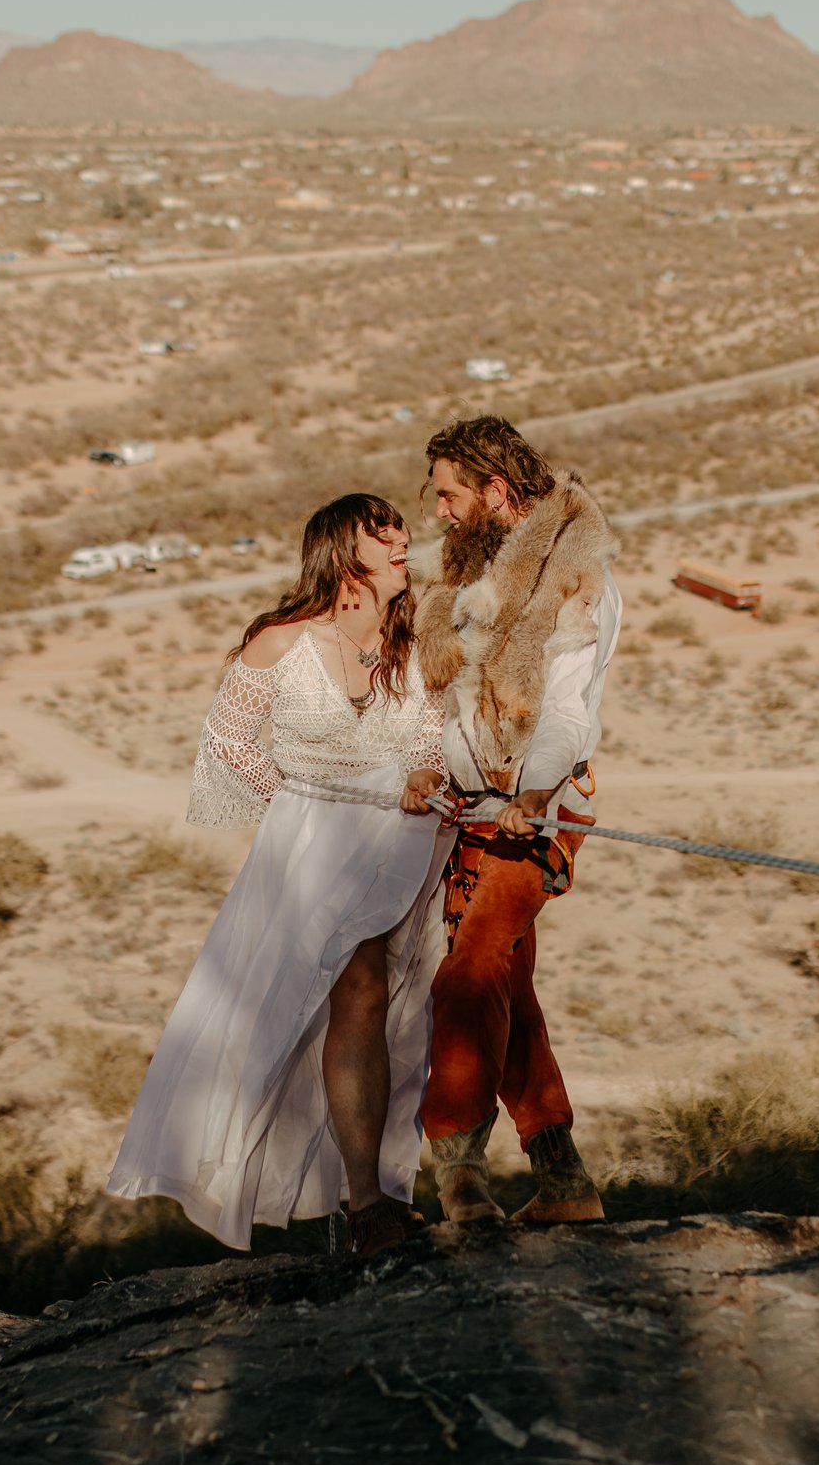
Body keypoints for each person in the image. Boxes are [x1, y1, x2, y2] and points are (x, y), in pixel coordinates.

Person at [106, 494, 451, 1259]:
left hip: (401, 841)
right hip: (311, 845)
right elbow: (228, 740)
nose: (403, 543)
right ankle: (369, 1205)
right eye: (383, 532)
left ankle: (375, 1193)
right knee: (350, 991)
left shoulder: (421, 638)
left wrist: (425, 773)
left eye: (403, 529)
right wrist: (295, 798)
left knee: (389, 1010)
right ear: (341, 551)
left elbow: (432, 738)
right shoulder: (279, 642)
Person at [413, 416, 621, 1225]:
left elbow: (569, 715)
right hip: (467, 814)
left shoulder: (580, 579)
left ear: (496, 491)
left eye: (449, 494)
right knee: (505, 983)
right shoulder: (470, 574)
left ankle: (458, 1175)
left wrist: (534, 789)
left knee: (466, 976)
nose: (438, 512)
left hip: (537, 812)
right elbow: (452, 704)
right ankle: (566, 1182)